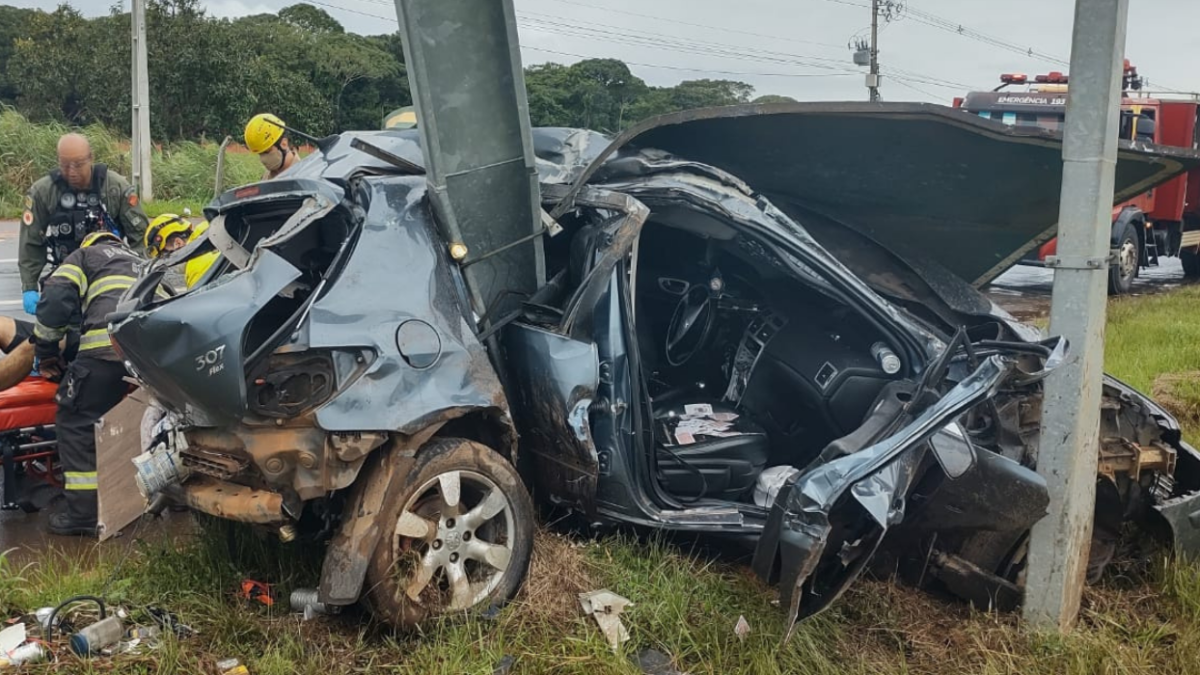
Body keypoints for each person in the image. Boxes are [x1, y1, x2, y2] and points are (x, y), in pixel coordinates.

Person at [32, 231, 158, 536]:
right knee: (156, 426)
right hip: (152, 363)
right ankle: (169, 498)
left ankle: (84, 515)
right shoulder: (144, 263)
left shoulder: (84, 256)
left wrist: (47, 353)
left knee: (76, 420)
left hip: (106, 353)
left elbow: (56, 298)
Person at [20, 133, 149, 315]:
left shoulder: (115, 188)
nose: (72, 172)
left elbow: (141, 237)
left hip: (109, 276)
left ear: (91, 158)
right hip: (66, 276)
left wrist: (140, 279)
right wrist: (29, 286)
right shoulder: (43, 192)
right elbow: (31, 242)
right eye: (65, 165)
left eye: (78, 165)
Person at [244, 113, 299, 180]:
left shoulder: (304, 175)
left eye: (266, 151)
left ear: (284, 144)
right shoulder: (265, 178)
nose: (263, 159)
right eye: (260, 154)